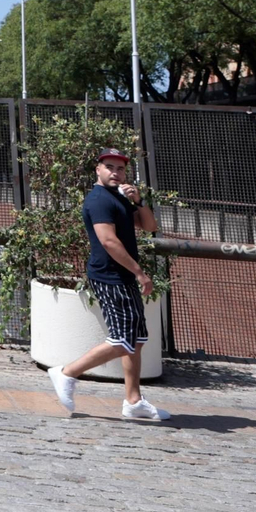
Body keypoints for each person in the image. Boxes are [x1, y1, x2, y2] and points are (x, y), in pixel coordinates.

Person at [45, 148, 169, 420]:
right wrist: (140, 272)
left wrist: (139, 201)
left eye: (121, 168)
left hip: (122, 275)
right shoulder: (99, 200)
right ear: (97, 170)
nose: (116, 172)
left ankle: (133, 400)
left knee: (135, 340)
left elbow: (149, 226)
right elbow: (108, 241)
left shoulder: (119, 198)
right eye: (110, 167)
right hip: (110, 276)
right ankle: (66, 373)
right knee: (123, 340)